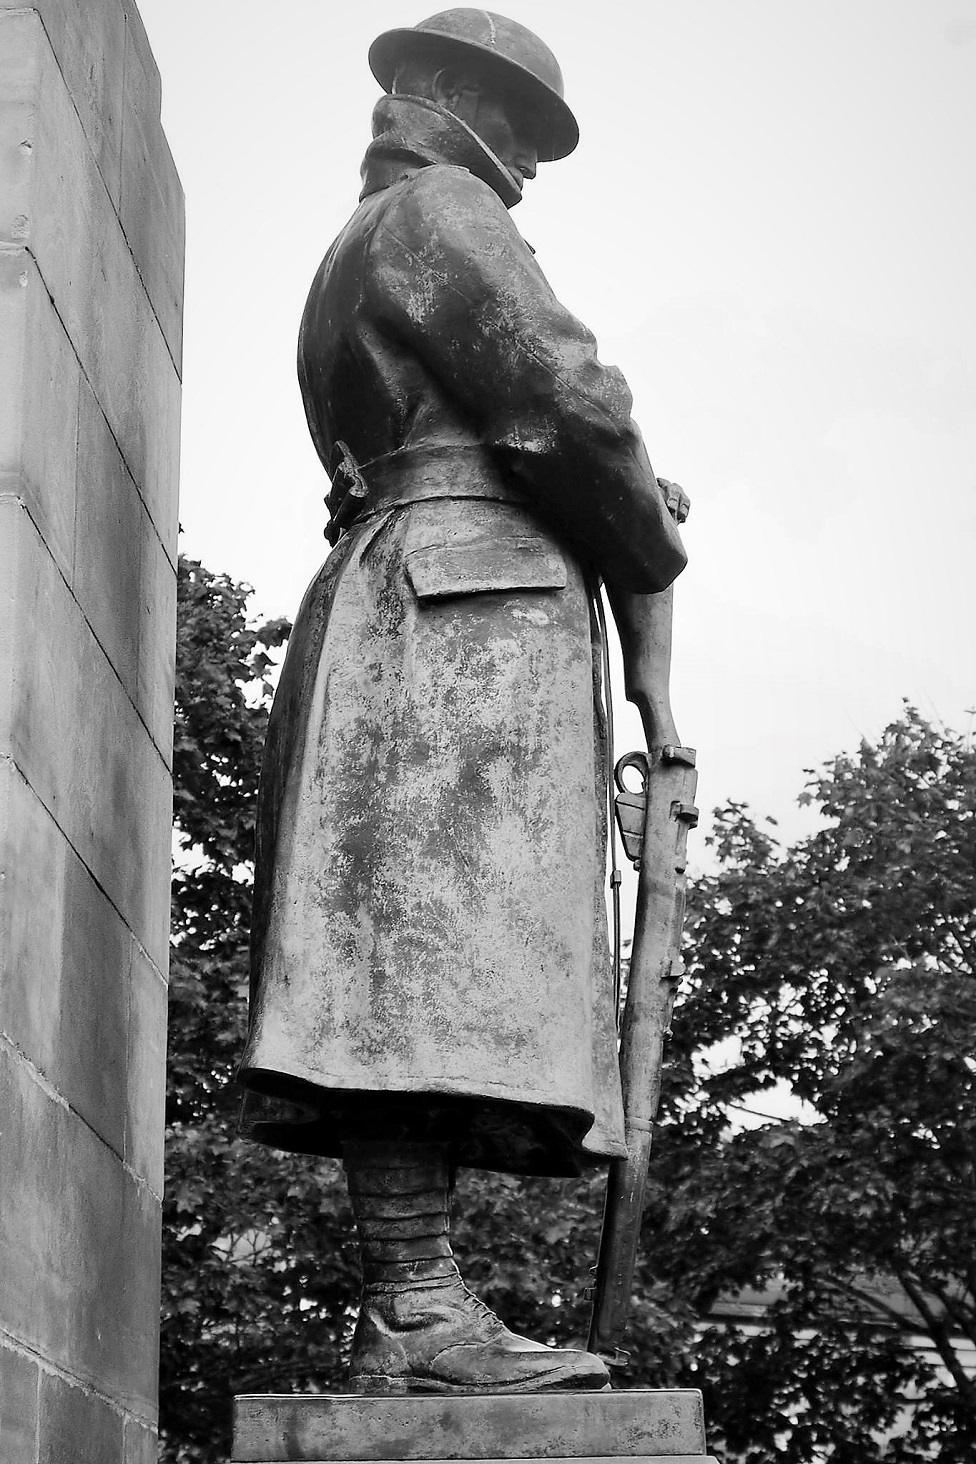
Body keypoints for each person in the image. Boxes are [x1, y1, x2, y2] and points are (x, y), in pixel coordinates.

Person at [237, 8, 687, 1395]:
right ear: (434, 93)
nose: (531, 166)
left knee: (406, 980)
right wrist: (650, 529)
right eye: (517, 125)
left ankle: (416, 1303)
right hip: (452, 620)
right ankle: (417, 1310)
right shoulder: (440, 207)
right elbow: (567, 398)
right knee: (404, 980)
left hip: (432, 609)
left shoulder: (368, 232)